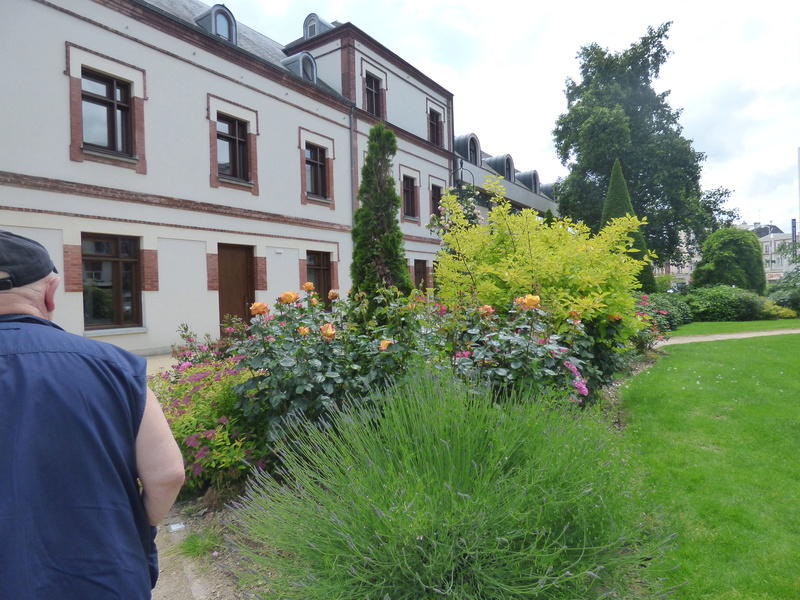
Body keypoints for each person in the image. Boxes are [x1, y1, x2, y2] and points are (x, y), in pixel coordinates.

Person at [0, 230, 185, 599]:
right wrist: (133, 529)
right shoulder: (115, 367)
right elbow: (167, 474)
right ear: (51, 292)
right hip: (101, 576)